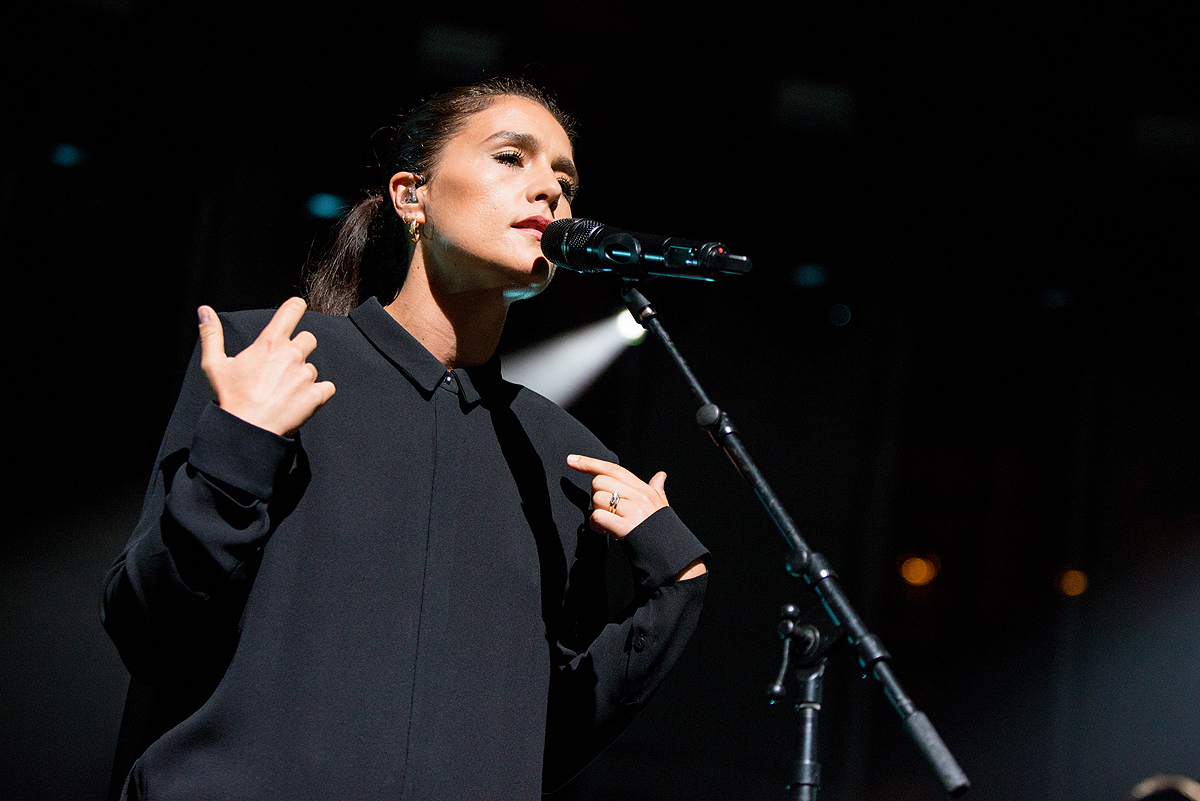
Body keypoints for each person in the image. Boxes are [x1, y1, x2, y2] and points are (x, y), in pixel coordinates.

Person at [101, 77, 708, 800]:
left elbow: (538, 738)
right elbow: (149, 633)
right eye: (511, 157)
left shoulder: (561, 455)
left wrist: (675, 587)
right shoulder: (272, 358)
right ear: (411, 195)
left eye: (566, 182)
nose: (551, 190)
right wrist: (239, 448)